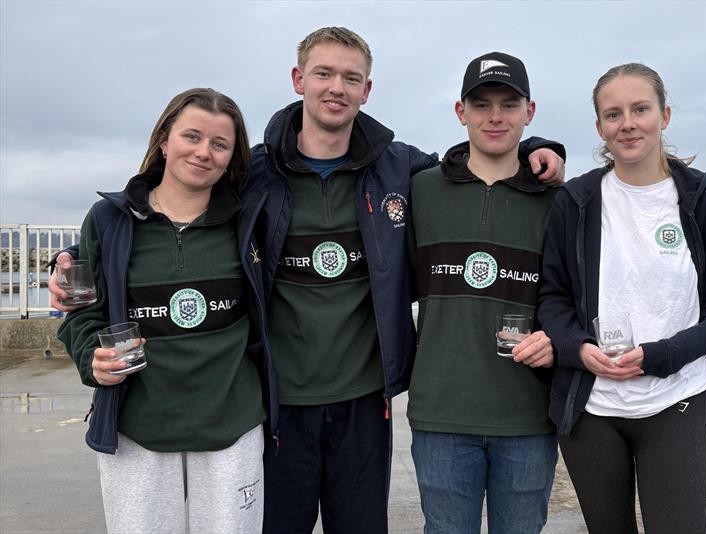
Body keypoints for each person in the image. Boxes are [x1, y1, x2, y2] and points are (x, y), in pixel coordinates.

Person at [50, 27, 565, 534]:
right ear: (299, 79)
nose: (336, 88)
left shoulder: (398, 168)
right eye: (323, 73)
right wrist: (77, 255)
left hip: (365, 399)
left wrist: (539, 147)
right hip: (277, 400)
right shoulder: (253, 172)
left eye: (351, 77)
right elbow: (167, 206)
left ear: (367, 90)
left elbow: (474, 165)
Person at [538, 63, 706, 534]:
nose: (627, 123)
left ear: (665, 116)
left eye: (640, 109)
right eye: (613, 114)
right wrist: (577, 349)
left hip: (675, 397)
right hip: (593, 405)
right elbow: (552, 297)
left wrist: (662, 355)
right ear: (599, 127)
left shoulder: (704, 203)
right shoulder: (576, 201)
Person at [56, 88, 274, 533]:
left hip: (231, 422)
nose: (203, 152)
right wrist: (90, 360)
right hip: (139, 427)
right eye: (191, 136)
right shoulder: (107, 220)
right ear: (164, 140)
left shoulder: (251, 221)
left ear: (232, 158)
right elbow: (80, 311)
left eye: (219, 144)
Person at [406, 52, 560, 534]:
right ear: (461, 112)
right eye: (482, 104)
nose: (495, 117)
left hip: (528, 417)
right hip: (441, 413)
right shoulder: (419, 191)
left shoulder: (560, 202)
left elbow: (578, 298)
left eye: (509, 104)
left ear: (529, 112)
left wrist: (557, 337)